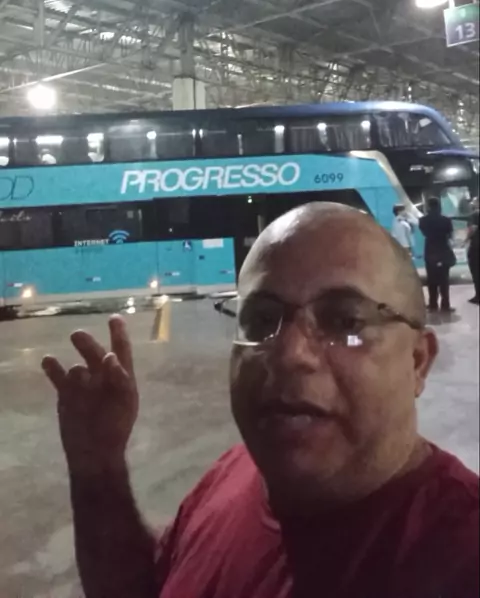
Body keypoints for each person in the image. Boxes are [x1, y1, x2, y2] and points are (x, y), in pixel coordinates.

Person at [41, 203, 479, 598]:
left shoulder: (461, 555)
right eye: (262, 318)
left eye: (345, 321)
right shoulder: (232, 472)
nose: (288, 353)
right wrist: (98, 468)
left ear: (418, 361)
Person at [419, 196, 455, 313]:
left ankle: (433, 304)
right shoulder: (446, 220)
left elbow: (424, 233)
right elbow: (449, 235)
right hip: (443, 251)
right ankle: (445, 304)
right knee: (444, 280)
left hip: (430, 251)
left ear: (428, 206)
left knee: (431, 279)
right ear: (439, 206)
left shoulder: (423, 220)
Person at [466, 200, 479, 304]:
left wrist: (466, 239)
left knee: (476, 271)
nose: (471, 203)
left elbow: (473, 228)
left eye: (474, 202)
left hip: (476, 246)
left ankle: (478, 296)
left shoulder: (475, 214)